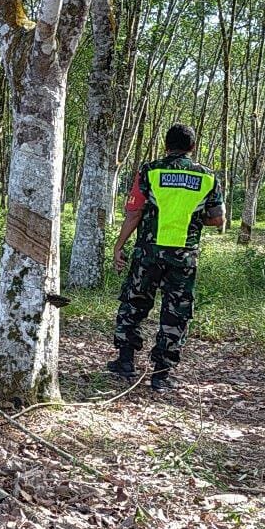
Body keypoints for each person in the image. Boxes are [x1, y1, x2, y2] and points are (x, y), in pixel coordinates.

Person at [107, 123, 225, 392]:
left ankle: (125, 362)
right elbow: (218, 219)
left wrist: (118, 246)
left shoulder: (150, 171)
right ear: (192, 147)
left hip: (148, 253)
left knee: (134, 303)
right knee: (176, 313)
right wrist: (194, 219)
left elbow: (134, 213)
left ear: (165, 145)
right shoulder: (207, 177)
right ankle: (161, 374)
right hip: (184, 257)